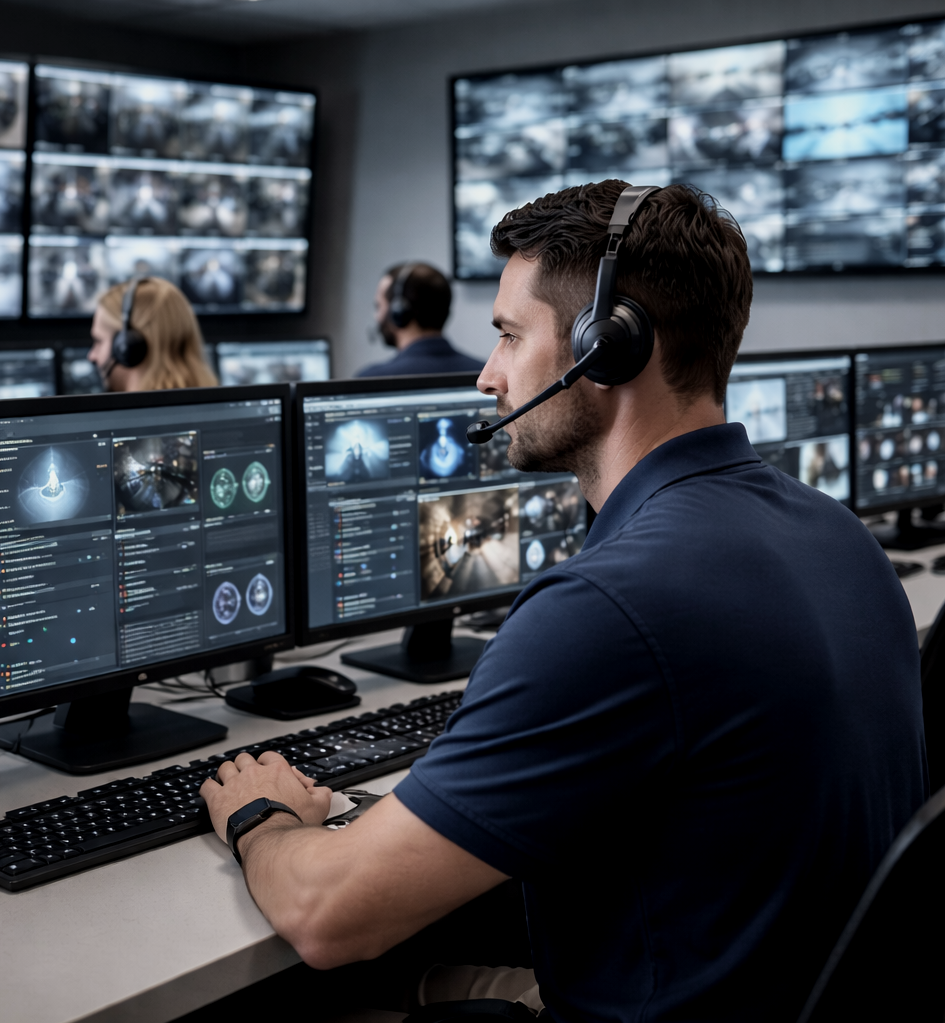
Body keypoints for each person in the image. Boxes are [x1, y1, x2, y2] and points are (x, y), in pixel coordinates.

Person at [199, 181, 926, 1020]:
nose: (487, 376)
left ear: (607, 347)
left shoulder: (610, 606)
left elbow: (329, 915)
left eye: (509, 336)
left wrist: (263, 815)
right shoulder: (839, 534)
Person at [86, 276, 217, 392]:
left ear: (126, 347)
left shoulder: (131, 417)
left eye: (99, 341)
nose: (92, 356)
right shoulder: (216, 407)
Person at [358, 261, 483, 377]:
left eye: (378, 306)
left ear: (398, 311)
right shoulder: (484, 376)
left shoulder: (369, 380)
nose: (376, 316)